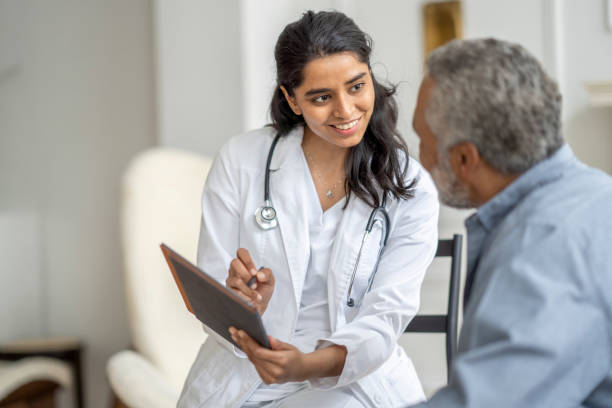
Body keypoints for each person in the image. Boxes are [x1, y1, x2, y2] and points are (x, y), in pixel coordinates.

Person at [178, 10, 439, 408]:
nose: (345, 110)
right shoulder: (241, 160)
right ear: (291, 99)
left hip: (350, 379)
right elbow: (212, 290)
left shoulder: (411, 187)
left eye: (356, 86)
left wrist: (307, 364)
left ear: (370, 77)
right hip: (247, 374)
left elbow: (385, 317)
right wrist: (242, 307)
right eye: (321, 97)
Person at [409, 38, 612, 407]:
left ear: (464, 159)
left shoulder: (543, 246)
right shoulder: (596, 193)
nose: (417, 158)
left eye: (422, 140)